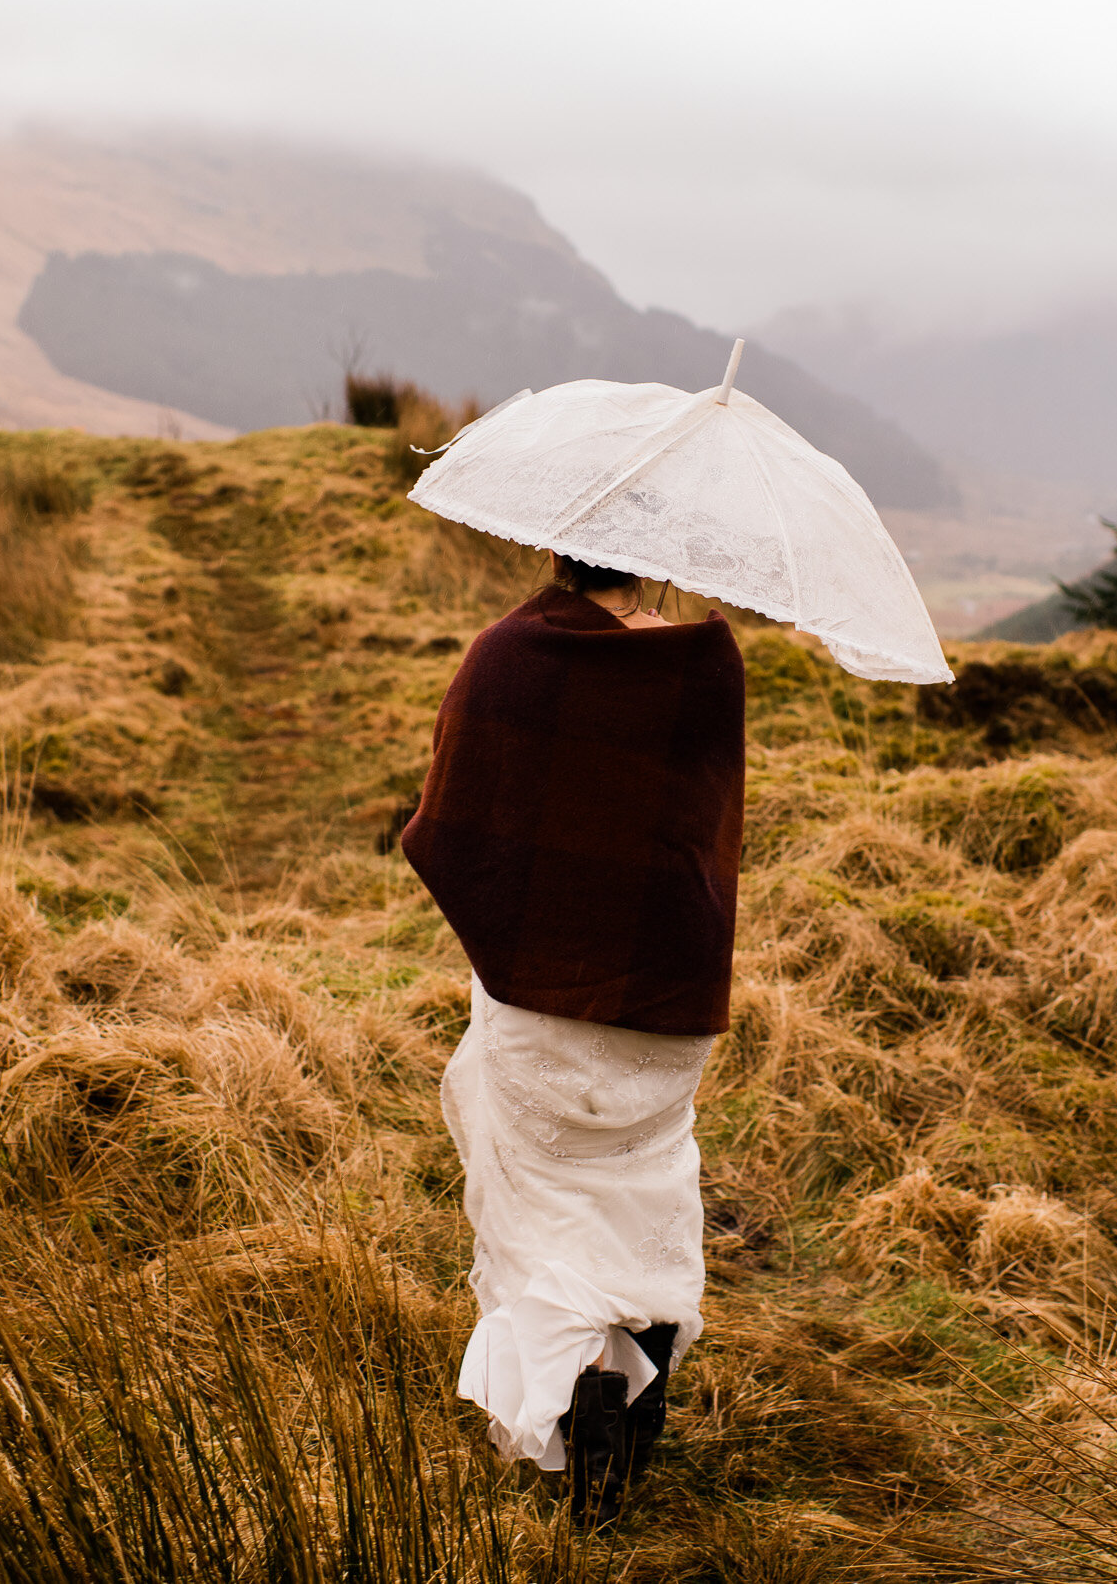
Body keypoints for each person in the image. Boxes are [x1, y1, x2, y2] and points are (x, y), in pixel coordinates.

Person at [398, 552, 745, 1530]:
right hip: (664, 1002)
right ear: (654, 554)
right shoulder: (705, 660)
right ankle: (627, 1395)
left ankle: (577, 1409)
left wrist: (514, 924)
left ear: (561, 544)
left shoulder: (506, 653)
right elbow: (705, 828)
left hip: (537, 997)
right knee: (640, 1193)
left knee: (543, 1212)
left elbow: (447, 824)